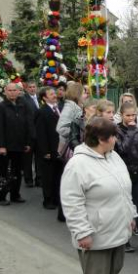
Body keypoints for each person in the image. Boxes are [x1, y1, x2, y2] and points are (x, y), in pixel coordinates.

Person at [60, 117, 136, 274]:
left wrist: (130, 214)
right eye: (113, 136)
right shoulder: (77, 164)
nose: (116, 139)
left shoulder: (113, 157)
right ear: (102, 140)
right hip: (96, 232)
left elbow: (124, 189)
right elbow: (71, 201)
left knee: (113, 270)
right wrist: (82, 232)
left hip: (117, 227)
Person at [115, 102, 138, 255]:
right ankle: (125, 239)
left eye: (133, 115)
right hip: (123, 175)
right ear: (122, 115)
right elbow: (123, 148)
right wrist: (130, 130)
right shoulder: (116, 130)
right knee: (125, 209)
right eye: (128, 115)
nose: (131, 118)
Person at [0, 82, 32, 206]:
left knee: (17, 172)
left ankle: (15, 194)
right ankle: (1, 196)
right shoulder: (1, 107)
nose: (12, 92)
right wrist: (1, 146)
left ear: (18, 91)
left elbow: (27, 125)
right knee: (3, 172)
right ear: (5, 92)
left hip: (20, 145)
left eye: (14, 90)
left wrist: (27, 142)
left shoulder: (22, 105)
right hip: (6, 145)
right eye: (9, 90)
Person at [56, 82, 86, 221]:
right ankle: (63, 213)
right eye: (84, 92)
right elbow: (61, 128)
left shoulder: (77, 106)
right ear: (77, 94)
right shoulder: (70, 106)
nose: (86, 95)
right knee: (69, 183)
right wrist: (76, 132)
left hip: (75, 148)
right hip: (69, 149)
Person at [35, 87, 63, 211]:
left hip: (59, 149)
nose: (54, 95)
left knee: (57, 175)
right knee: (48, 177)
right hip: (48, 150)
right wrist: (45, 151)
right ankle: (48, 200)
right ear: (44, 98)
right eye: (51, 94)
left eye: (54, 93)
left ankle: (56, 198)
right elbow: (40, 133)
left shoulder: (59, 108)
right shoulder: (42, 111)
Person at [21, 80, 41, 188]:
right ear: (26, 89)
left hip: (39, 133)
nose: (32, 89)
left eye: (34, 87)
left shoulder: (40, 99)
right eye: (30, 87)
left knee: (38, 158)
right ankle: (28, 179)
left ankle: (39, 178)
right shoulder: (24, 100)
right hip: (29, 133)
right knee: (28, 158)